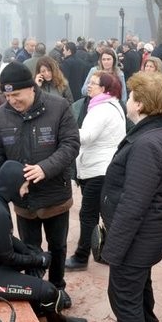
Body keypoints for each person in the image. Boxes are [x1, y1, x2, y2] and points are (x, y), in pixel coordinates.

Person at [0, 61, 80, 309]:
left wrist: (45, 168)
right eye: (7, 95)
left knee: (58, 246)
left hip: (55, 196)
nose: (12, 100)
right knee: (30, 250)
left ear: (32, 88)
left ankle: (57, 289)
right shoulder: (2, 116)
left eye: (16, 95)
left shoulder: (59, 107)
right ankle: (36, 291)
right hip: (24, 200)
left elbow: (70, 145)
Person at [100, 72, 162, 322]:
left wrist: (112, 250)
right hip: (147, 234)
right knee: (139, 285)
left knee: (123, 297)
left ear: (141, 104)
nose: (127, 100)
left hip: (140, 234)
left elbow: (134, 204)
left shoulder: (147, 143)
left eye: (131, 96)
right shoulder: (155, 132)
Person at [0, 160, 88, 322]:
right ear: (13, 184)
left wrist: (31, 254)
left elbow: (6, 238)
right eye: (25, 186)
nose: (26, 191)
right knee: (49, 290)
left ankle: (38, 302)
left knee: (34, 255)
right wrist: (37, 260)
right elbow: (9, 258)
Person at [65, 72, 126, 271]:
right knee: (104, 213)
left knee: (88, 214)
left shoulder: (101, 109)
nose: (88, 86)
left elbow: (87, 136)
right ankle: (110, 252)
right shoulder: (111, 105)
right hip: (103, 168)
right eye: (89, 82)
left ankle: (82, 257)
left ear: (105, 89)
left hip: (99, 170)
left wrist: (65, 131)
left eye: (93, 83)